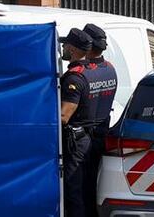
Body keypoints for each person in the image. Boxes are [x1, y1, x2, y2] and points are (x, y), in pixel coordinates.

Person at [59, 27, 102, 217]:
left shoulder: (74, 77)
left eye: (66, 46)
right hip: (91, 136)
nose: (63, 49)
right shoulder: (94, 71)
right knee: (86, 188)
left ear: (73, 49)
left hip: (76, 140)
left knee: (73, 189)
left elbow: (63, 116)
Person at [81, 23, 117, 217]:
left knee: (82, 186)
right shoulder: (110, 69)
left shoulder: (84, 73)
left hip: (84, 137)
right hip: (103, 133)